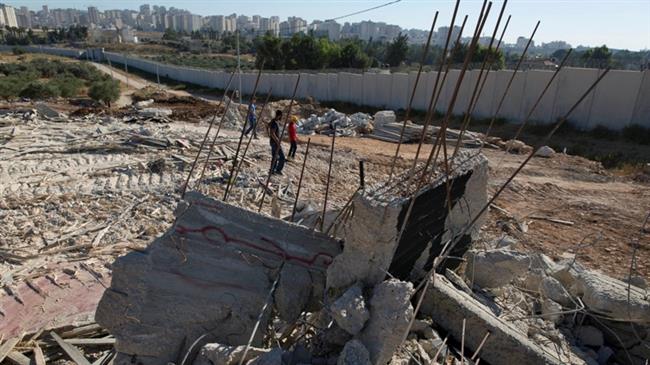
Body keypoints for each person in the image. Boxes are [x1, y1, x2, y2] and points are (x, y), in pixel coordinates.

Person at [268, 109, 285, 175]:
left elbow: (268, 127)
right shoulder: (274, 123)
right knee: (282, 157)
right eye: (281, 116)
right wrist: (277, 141)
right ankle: (278, 170)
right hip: (275, 143)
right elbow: (272, 133)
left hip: (273, 142)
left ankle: (272, 170)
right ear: (279, 115)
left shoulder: (273, 121)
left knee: (275, 156)